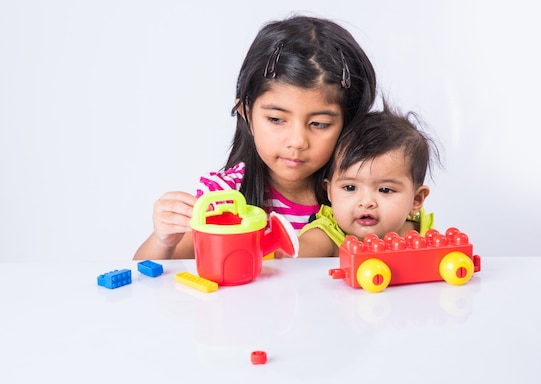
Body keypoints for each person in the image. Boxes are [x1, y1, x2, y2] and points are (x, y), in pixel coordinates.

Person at [134, 14, 377, 260]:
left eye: (319, 124)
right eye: (276, 119)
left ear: (349, 124)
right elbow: (146, 272)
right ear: (246, 114)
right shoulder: (225, 198)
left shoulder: (363, 197)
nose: (296, 141)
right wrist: (163, 240)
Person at [297, 100, 440, 257]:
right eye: (350, 188)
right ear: (330, 192)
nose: (366, 202)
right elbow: (295, 255)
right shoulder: (327, 236)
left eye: (385, 190)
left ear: (416, 200)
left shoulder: (422, 237)